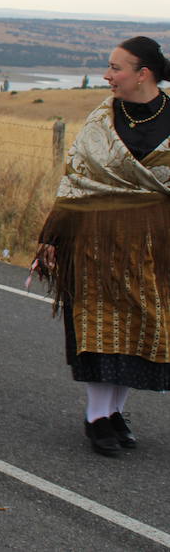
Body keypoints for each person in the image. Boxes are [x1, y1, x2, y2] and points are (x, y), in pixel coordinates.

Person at [32, 37, 170, 457]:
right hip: (95, 240)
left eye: (116, 68)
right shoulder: (99, 121)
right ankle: (96, 417)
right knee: (98, 323)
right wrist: (52, 237)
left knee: (138, 326)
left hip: (155, 244)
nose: (108, 75)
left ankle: (115, 412)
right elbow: (74, 182)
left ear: (143, 73)